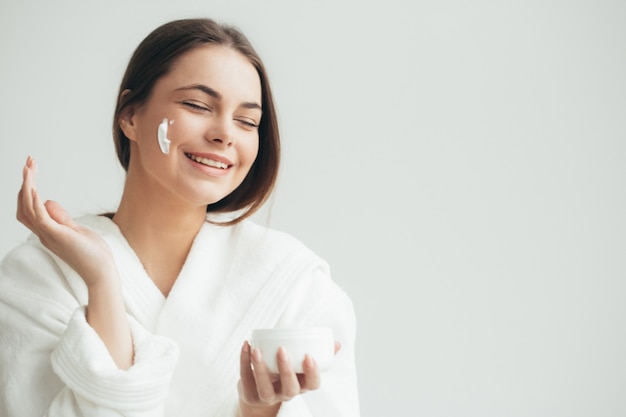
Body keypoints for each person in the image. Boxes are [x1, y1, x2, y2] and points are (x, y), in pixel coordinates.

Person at [0, 18, 359, 417]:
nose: (225, 134)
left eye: (247, 121)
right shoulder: (39, 277)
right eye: (197, 105)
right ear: (131, 116)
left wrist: (260, 412)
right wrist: (101, 280)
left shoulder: (296, 285)